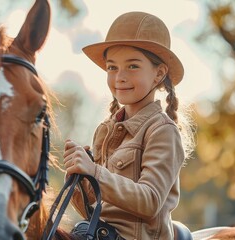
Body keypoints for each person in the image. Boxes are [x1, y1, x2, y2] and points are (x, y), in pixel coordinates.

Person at [62, 11, 195, 240]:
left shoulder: (162, 131)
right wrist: (80, 180)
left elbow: (151, 201)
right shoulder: (104, 130)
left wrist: (95, 171)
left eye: (132, 66)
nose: (119, 77)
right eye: (112, 67)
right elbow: (96, 211)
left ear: (159, 73)